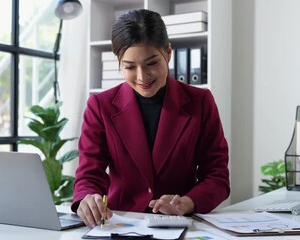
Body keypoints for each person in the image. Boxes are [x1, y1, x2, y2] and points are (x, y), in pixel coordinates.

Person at [70, 9, 230, 228]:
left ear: (168, 53)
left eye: (152, 63)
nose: (142, 77)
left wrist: (186, 203)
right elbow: (89, 175)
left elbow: (217, 176)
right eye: (129, 67)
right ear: (119, 62)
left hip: (181, 225)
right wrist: (87, 198)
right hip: (120, 225)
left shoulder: (200, 102)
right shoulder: (100, 106)